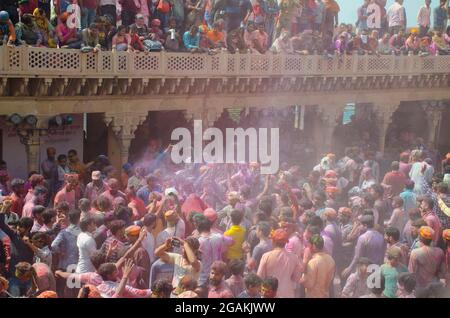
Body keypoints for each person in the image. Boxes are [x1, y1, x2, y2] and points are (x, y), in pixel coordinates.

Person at [257, 229, 302, 298]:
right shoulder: (294, 257)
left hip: (269, 293)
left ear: (273, 241)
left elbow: (259, 277)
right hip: (287, 294)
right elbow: (296, 278)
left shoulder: (266, 256)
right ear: (286, 242)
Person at [408, 226, 446, 291]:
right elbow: (443, 271)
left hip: (420, 287)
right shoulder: (440, 251)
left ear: (419, 237)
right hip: (435, 285)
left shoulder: (415, 253)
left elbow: (411, 272)